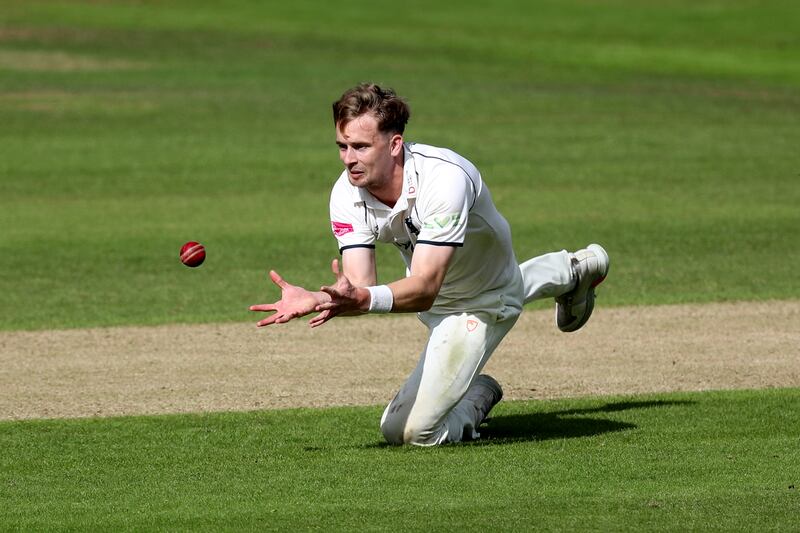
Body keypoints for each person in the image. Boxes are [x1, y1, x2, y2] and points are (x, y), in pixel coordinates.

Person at [250, 83, 609, 446]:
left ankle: (473, 398)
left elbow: (424, 288)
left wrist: (359, 299)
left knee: (409, 433)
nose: (348, 159)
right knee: (502, 282)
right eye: (342, 146)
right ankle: (573, 270)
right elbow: (359, 286)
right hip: (448, 292)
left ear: (394, 144)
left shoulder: (444, 180)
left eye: (360, 146)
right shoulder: (346, 193)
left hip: (483, 302)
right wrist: (318, 297)